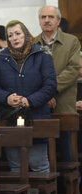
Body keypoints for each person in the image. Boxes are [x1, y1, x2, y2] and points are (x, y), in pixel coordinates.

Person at [0, 20, 57, 173]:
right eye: (10, 35)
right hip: (9, 117)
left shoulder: (42, 55)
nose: (14, 38)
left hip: (36, 116)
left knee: (39, 165)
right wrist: (7, 98)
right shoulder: (0, 58)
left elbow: (50, 85)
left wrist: (29, 101)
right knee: (17, 167)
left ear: (26, 35)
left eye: (18, 34)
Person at [35, 6, 80, 163]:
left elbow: (73, 70)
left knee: (67, 156)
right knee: (43, 155)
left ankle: (70, 187)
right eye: (43, 17)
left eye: (51, 17)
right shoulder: (33, 43)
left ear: (58, 20)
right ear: (39, 20)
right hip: (40, 107)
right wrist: (44, 96)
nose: (47, 20)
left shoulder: (71, 41)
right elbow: (29, 75)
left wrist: (49, 91)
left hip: (64, 107)